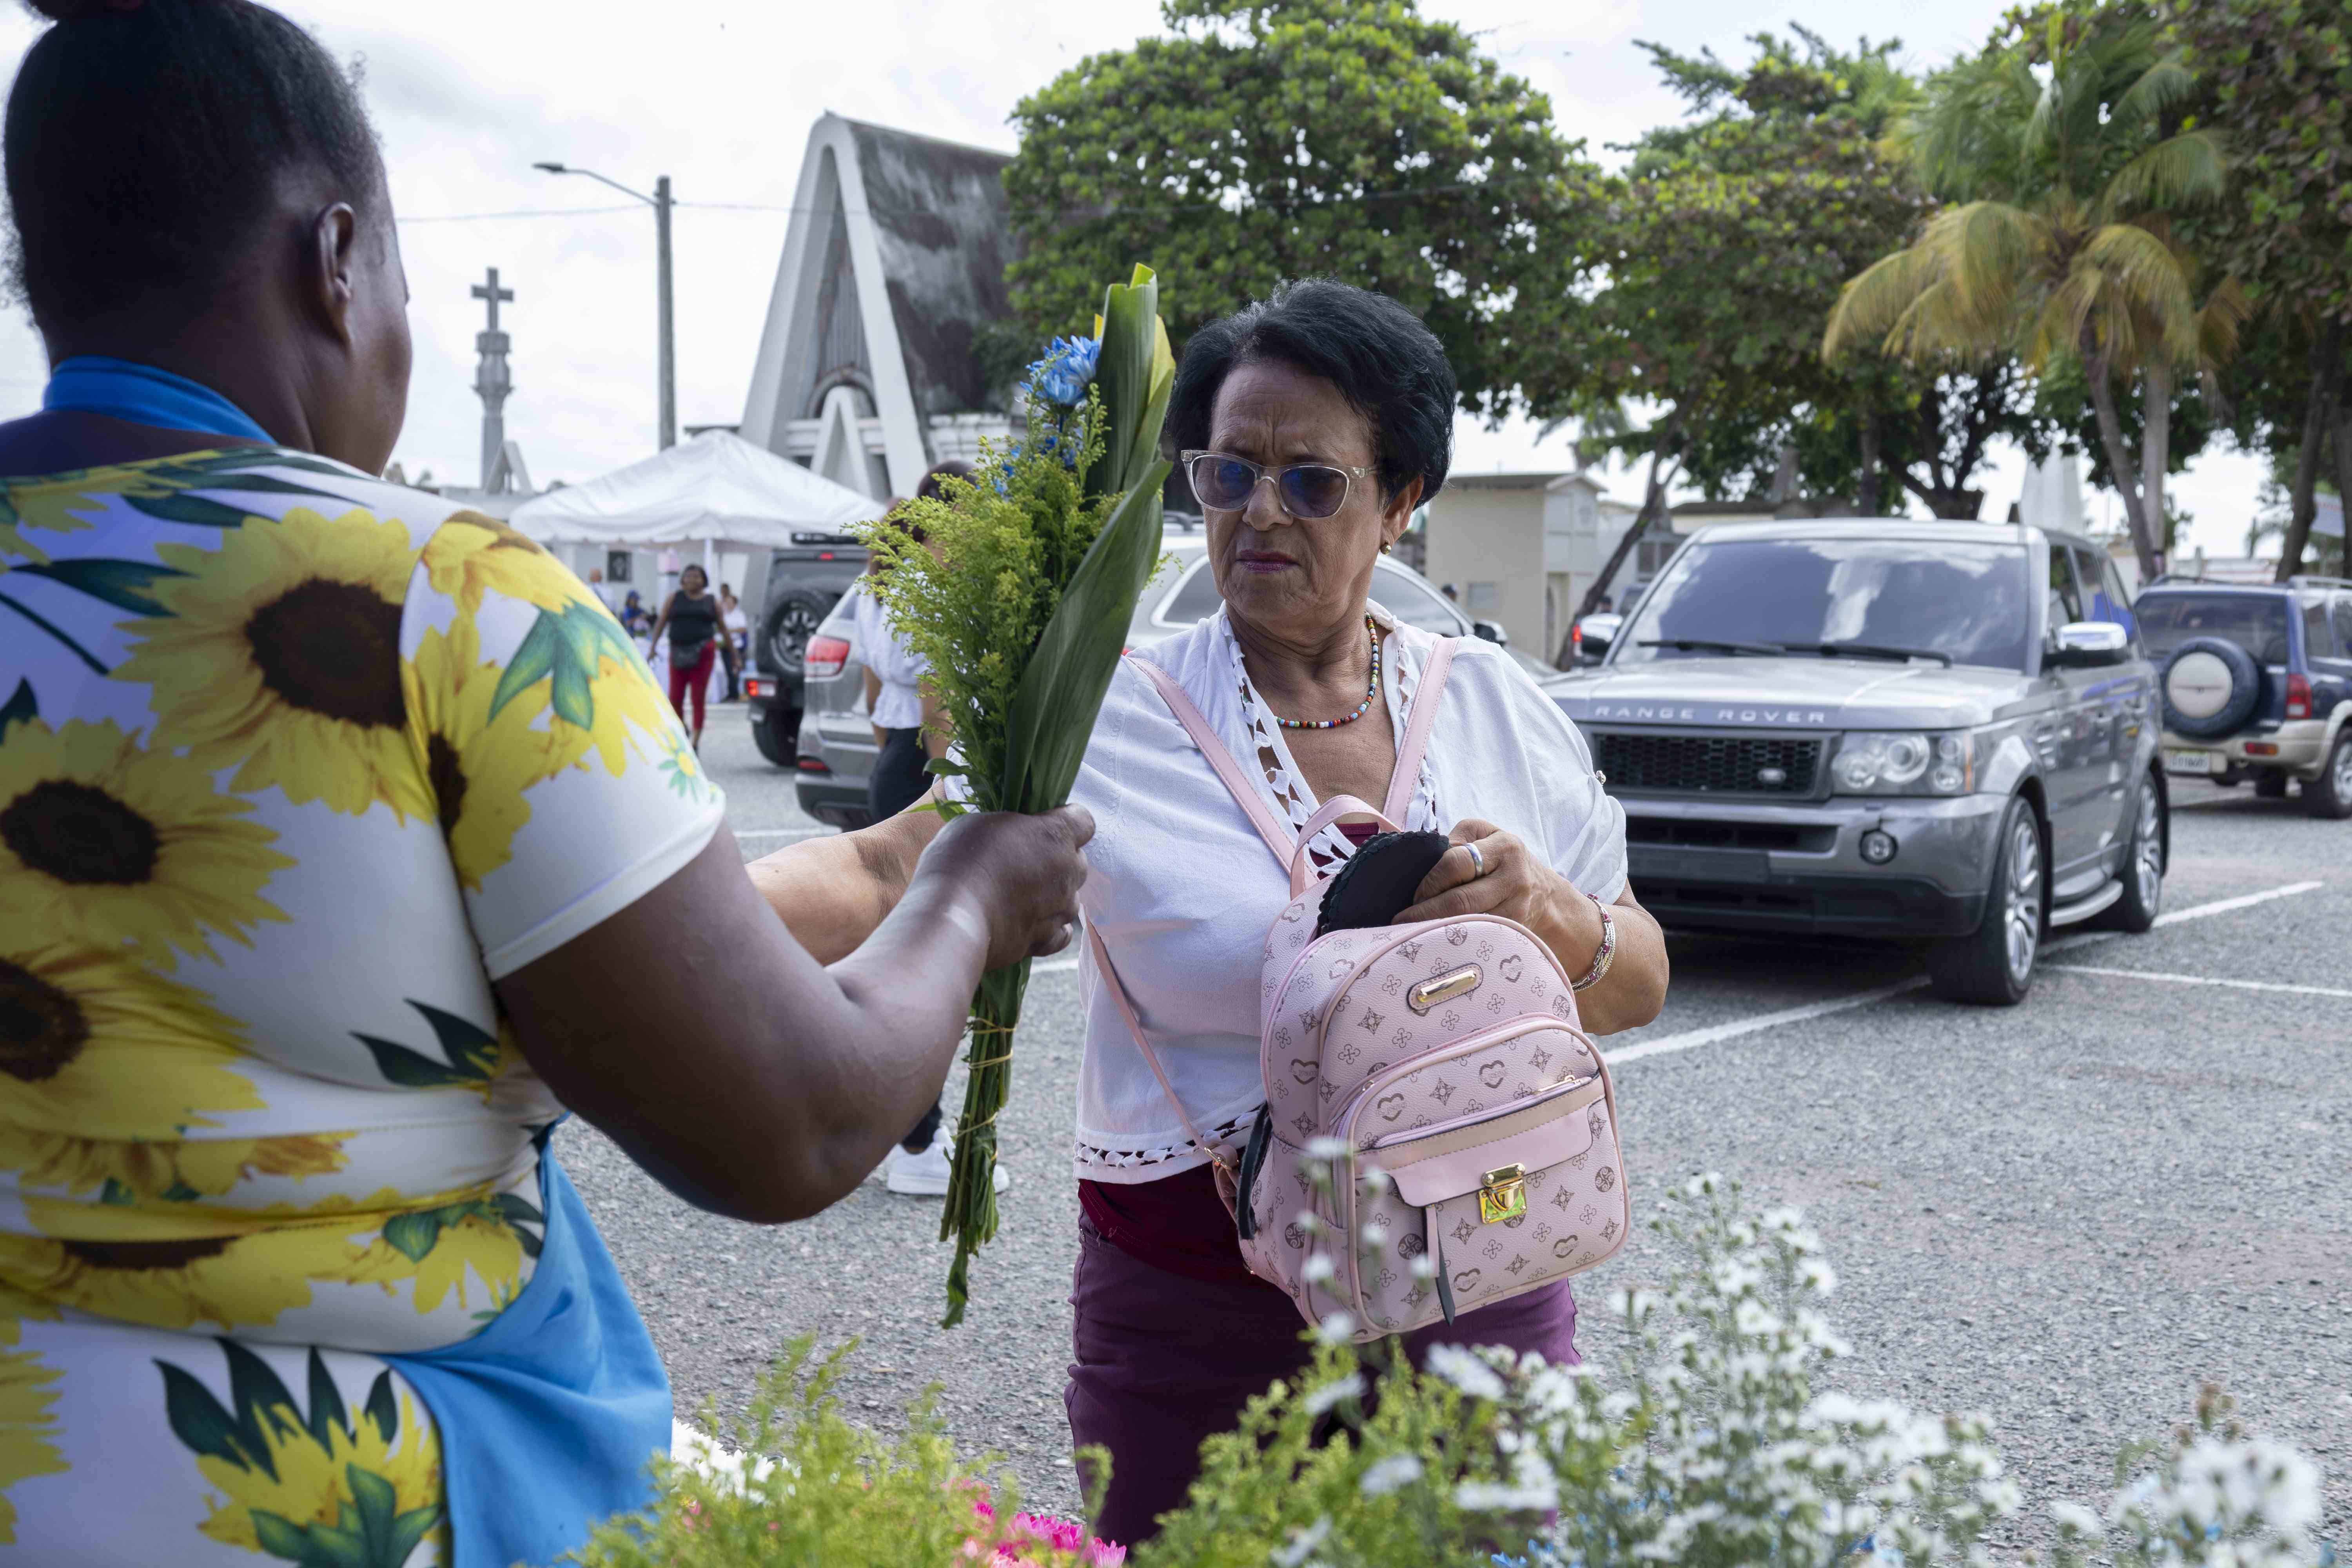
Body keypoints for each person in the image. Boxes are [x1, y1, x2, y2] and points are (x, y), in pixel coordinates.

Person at [0, 5, 1091, 1564]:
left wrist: (883, 866)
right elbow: (789, 1123)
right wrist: (973, 893)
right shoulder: (441, 600)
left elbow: (448, 966)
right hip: (327, 1504)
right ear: (338, 259)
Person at [753, 279, 1669, 1543]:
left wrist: (1552, 915)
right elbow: (887, 867)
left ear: (1402, 502)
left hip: (1478, 1268)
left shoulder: (1498, 709)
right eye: (1227, 474)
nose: (1257, 514)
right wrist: (666, 916)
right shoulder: (1109, 713)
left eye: (1312, 483)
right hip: (1198, 1295)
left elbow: (1638, 978)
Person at [852, 462, 997, 1195]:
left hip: (890, 766)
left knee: (892, 956)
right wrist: (951, 788)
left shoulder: (879, 579)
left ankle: (906, 1138)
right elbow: (940, 695)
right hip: (928, 772)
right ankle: (920, 1145)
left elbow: (876, 692)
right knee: (935, 963)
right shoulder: (935, 582)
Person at [648, 563, 722, 748]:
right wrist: (653, 646)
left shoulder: (712, 601)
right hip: (678, 652)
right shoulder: (674, 598)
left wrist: (735, 656)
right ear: (682, 580)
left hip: (703, 654)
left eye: (697, 576)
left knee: (698, 698)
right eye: (688, 576)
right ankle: (682, 729)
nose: (692, 580)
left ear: (704, 580)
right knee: (675, 698)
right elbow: (662, 622)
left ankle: (695, 742)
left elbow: (724, 628)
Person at [719, 582, 748, 702]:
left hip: (736, 646)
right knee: (728, 670)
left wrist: (729, 631)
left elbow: (743, 628)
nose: (728, 605)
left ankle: (735, 694)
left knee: (735, 670)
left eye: (730, 603)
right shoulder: (724, 615)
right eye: (727, 603)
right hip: (725, 645)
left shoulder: (739, 614)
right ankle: (731, 693)